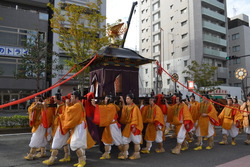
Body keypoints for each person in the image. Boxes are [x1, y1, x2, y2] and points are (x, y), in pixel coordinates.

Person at [63, 89, 95, 167]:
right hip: (79, 125)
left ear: (77, 98)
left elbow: (69, 111)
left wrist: (67, 105)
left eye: (72, 97)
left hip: (80, 126)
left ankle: (82, 161)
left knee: (75, 144)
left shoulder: (77, 105)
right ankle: (81, 161)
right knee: (79, 144)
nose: (71, 99)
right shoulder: (78, 104)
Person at [91, 94, 123, 160]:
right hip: (108, 125)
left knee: (118, 140)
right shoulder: (109, 106)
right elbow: (104, 109)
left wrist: (95, 105)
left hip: (113, 126)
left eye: (106, 99)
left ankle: (123, 152)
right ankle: (107, 153)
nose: (105, 100)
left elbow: (103, 109)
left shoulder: (111, 106)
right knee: (106, 140)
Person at [42, 90, 70, 165]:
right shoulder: (58, 105)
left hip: (61, 126)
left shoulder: (63, 106)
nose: (53, 99)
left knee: (55, 144)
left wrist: (58, 116)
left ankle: (52, 159)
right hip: (61, 126)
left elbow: (66, 116)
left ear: (57, 99)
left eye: (54, 98)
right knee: (65, 143)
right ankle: (67, 156)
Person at [118, 93, 143, 160]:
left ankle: (136, 154)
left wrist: (134, 126)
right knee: (125, 140)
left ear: (132, 99)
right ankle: (125, 154)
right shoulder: (128, 107)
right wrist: (122, 101)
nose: (127, 100)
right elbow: (125, 108)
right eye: (126, 98)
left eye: (128, 98)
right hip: (128, 126)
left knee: (136, 141)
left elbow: (135, 118)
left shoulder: (135, 107)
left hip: (134, 127)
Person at [24, 95, 47, 160]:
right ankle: (43, 152)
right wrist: (35, 105)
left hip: (41, 124)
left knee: (35, 138)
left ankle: (31, 154)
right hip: (36, 124)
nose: (36, 100)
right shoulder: (34, 104)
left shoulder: (43, 104)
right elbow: (30, 109)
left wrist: (42, 105)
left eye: (37, 99)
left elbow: (45, 110)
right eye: (35, 98)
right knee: (42, 139)